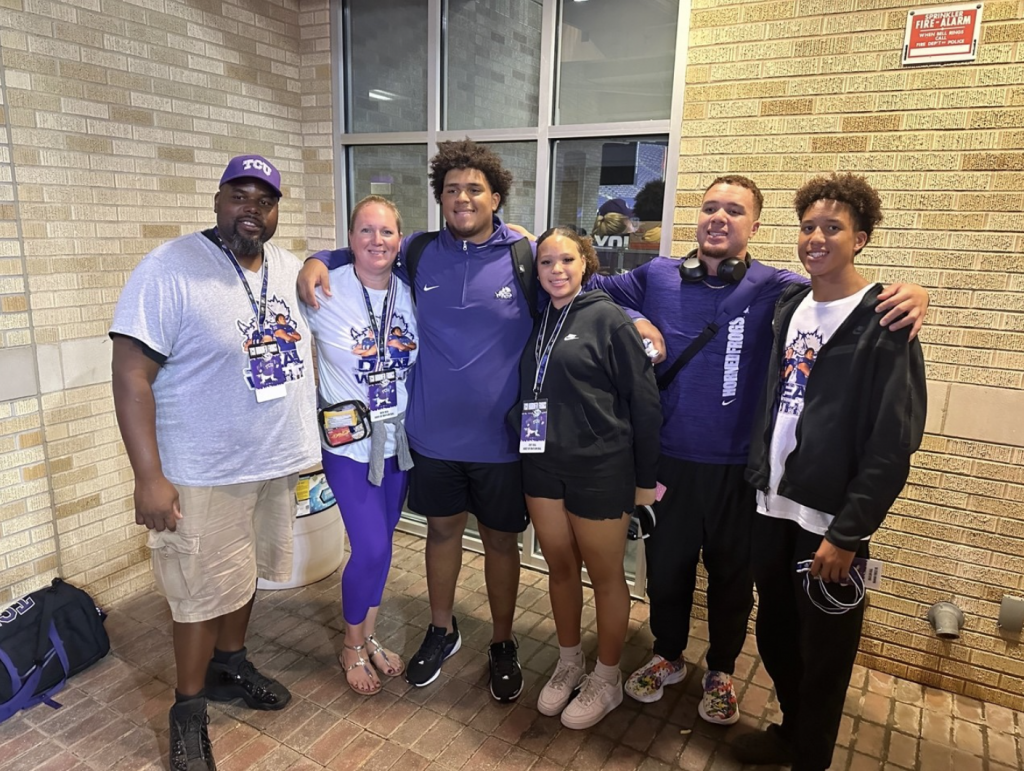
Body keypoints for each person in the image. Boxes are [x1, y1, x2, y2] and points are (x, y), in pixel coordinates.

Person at [581, 175, 929, 726]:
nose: (719, 218)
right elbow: (585, 285)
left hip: (742, 472)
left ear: (755, 227)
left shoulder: (779, 288)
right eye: (711, 207)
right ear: (697, 216)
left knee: (731, 577)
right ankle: (668, 654)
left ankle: (721, 668)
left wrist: (911, 293)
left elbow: (839, 289)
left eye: (735, 211)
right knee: (667, 570)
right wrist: (636, 316)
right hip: (668, 462)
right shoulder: (655, 274)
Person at [299, 140, 541, 701]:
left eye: (474, 189)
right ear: (439, 199)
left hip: (502, 440)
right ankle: (441, 630)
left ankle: (502, 643)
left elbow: (571, 285)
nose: (462, 198)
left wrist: (631, 318)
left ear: (496, 197)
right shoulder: (422, 254)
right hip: (429, 436)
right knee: (439, 533)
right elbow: (366, 251)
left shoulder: (522, 253)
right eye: (452, 189)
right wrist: (319, 258)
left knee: (502, 543)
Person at [110, 155, 319, 771]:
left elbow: (348, 259)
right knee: (197, 597)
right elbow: (130, 374)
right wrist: (148, 476)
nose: (251, 207)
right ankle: (188, 708)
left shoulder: (286, 266)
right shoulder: (170, 269)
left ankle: (230, 666)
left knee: (243, 574)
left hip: (268, 461)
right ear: (219, 199)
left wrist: (318, 260)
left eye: (265, 199)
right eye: (239, 194)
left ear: (277, 210)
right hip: (200, 470)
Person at [735, 173, 926, 770]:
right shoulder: (791, 305)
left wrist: (848, 532)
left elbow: (893, 444)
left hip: (830, 522)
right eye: (808, 226)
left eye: (832, 228)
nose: (815, 237)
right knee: (775, 635)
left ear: (861, 239)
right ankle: (793, 732)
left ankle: (811, 757)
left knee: (827, 653)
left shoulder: (885, 321)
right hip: (772, 506)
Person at [516, 228, 661, 729]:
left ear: (587, 264)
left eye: (567, 260)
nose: (556, 270)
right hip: (541, 465)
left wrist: (646, 482)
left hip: (601, 468)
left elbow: (645, 402)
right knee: (559, 566)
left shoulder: (608, 318)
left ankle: (606, 677)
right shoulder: (542, 318)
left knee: (604, 576)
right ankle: (570, 662)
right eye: (546, 262)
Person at [301, 195, 417, 696]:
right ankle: (350, 645)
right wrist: (314, 260)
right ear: (349, 240)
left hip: (399, 445)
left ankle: (369, 636)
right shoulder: (323, 289)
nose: (376, 240)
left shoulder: (413, 293)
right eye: (365, 231)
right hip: (349, 447)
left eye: (386, 231)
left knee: (384, 545)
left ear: (400, 239)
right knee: (369, 545)